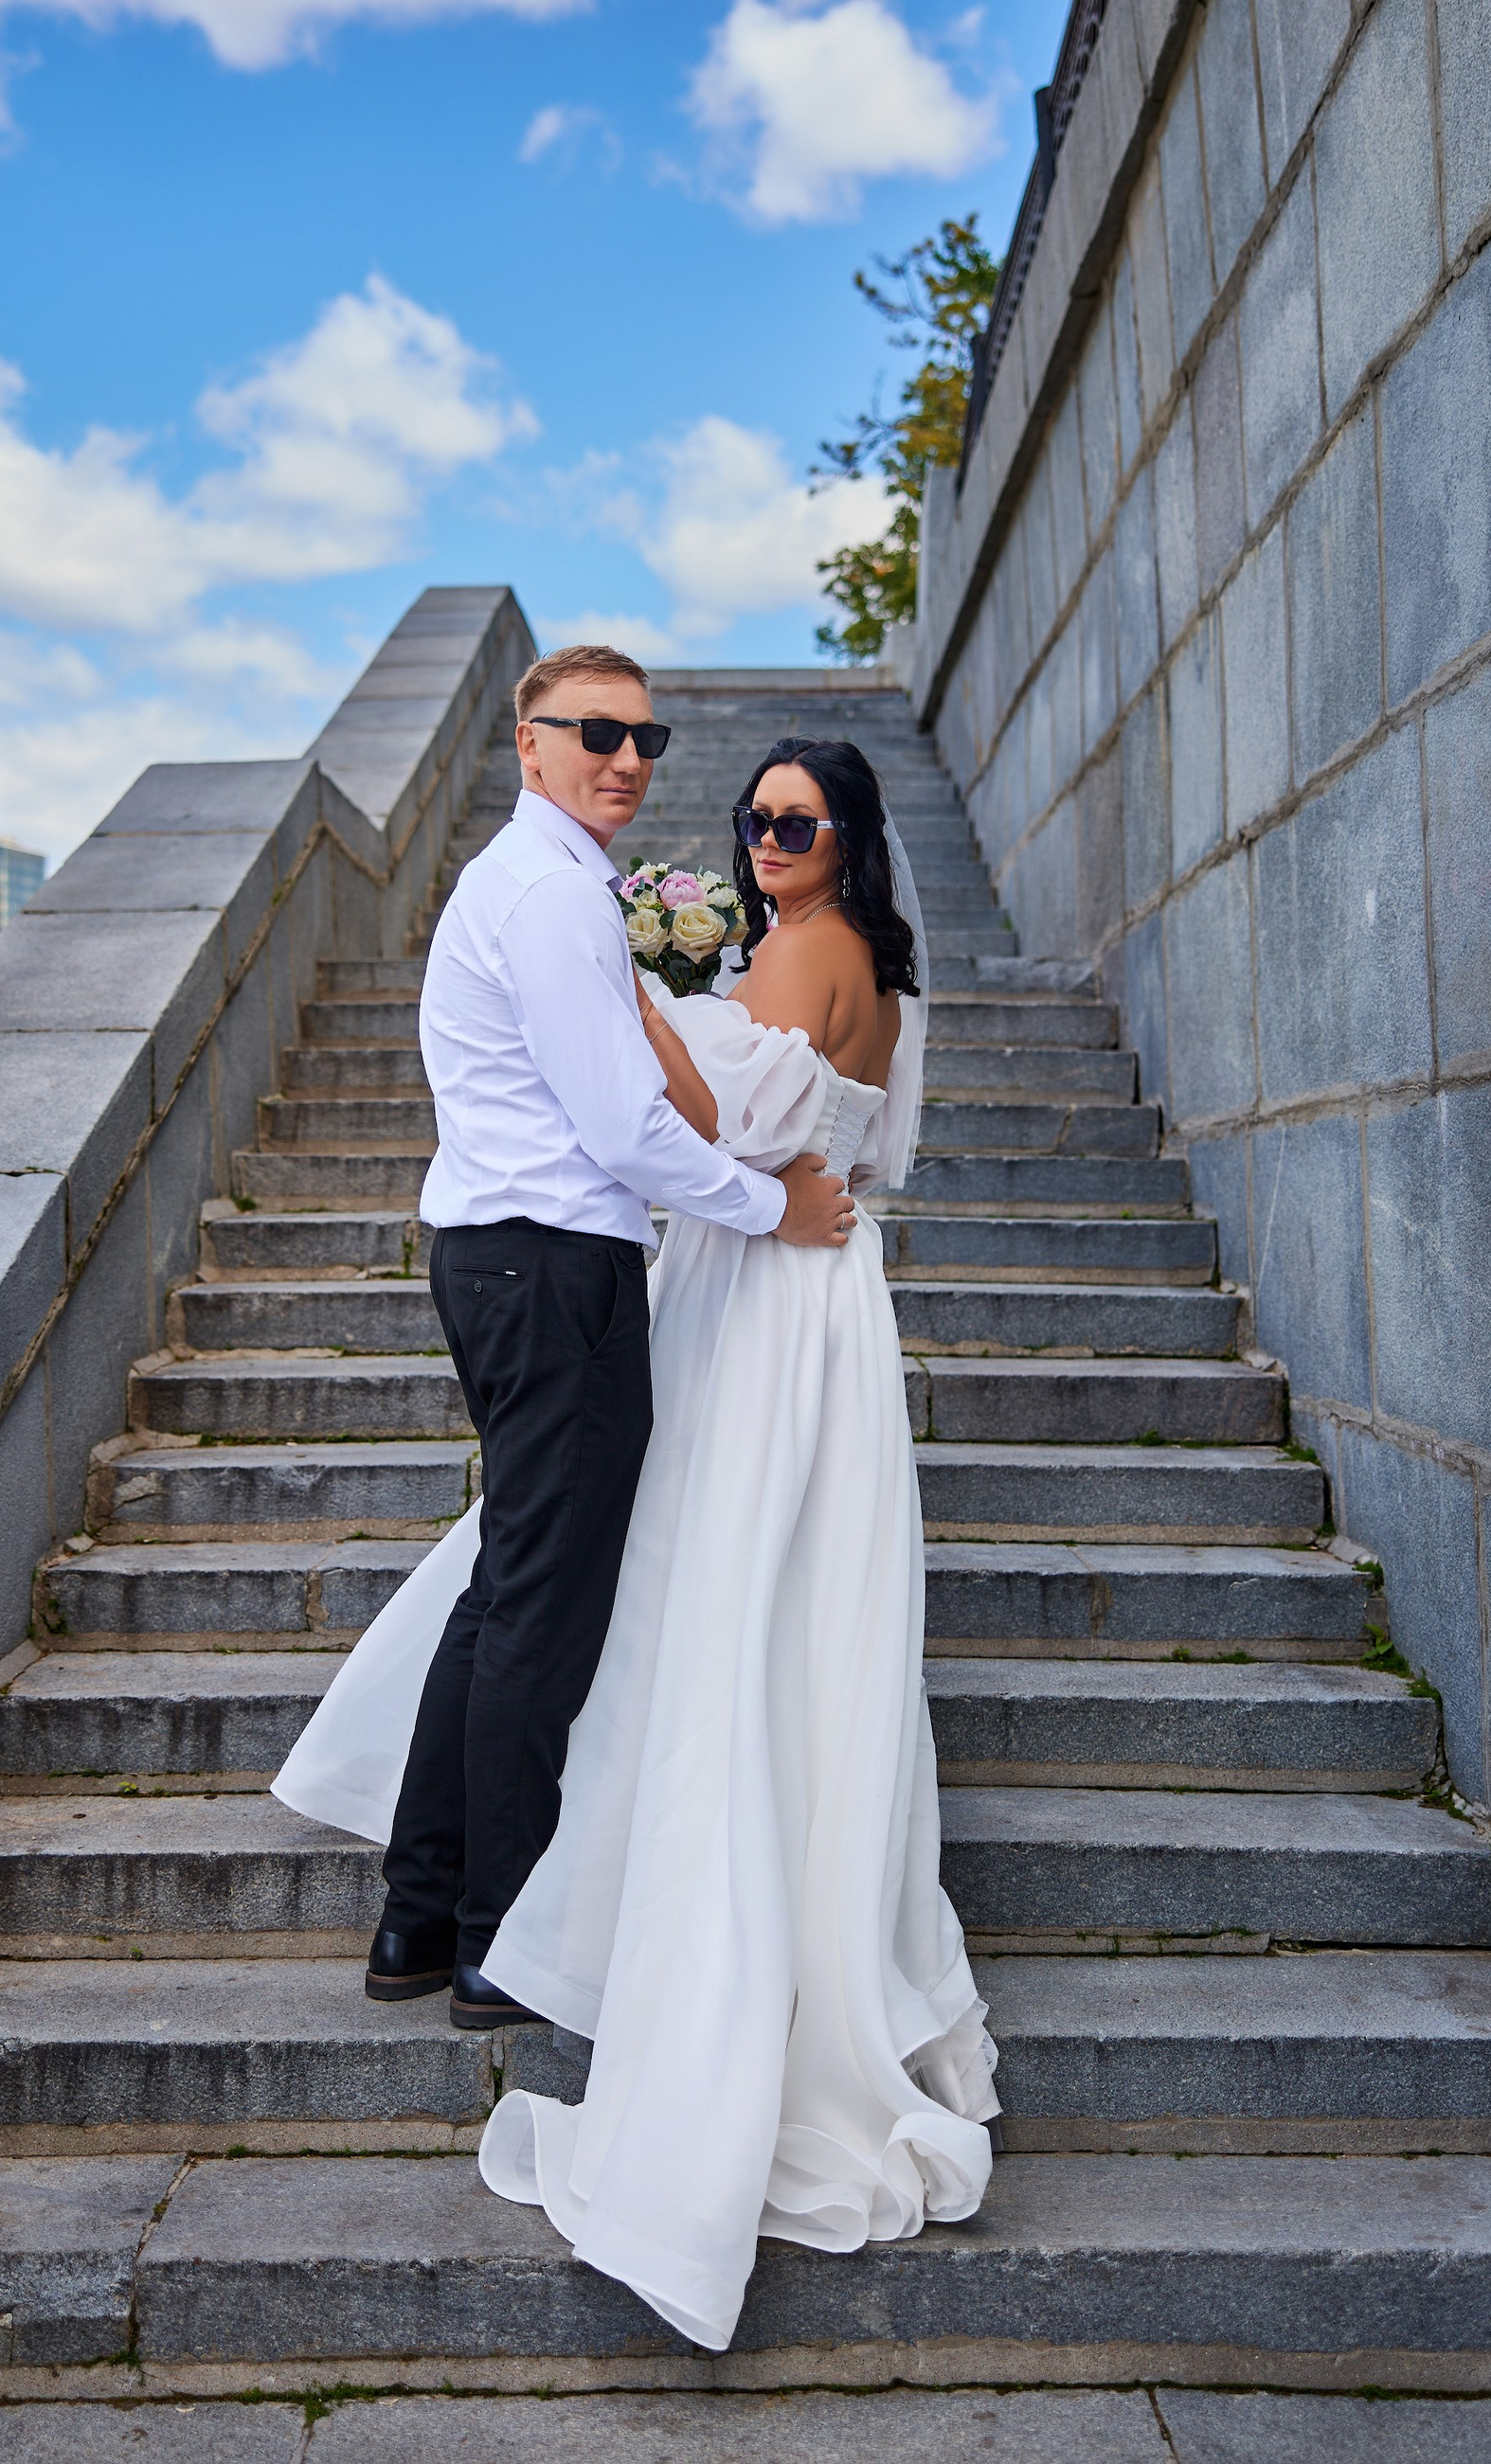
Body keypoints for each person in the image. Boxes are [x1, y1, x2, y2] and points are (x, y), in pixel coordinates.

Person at [276, 727, 997, 2353]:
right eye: (757, 819)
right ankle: (475, 1885)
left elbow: (703, 1112)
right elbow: (798, 1132)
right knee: (725, 1582)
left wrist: (634, 987)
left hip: (768, 1289)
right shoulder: (845, 955)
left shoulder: (807, 953)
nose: (770, 840)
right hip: (806, 1284)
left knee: (692, 1579)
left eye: (800, 821)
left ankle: (506, 1899)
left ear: (850, 833)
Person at [293, 643, 854, 2035]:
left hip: (513, 1264)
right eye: (596, 733)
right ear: (528, 741)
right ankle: (499, 1939)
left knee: (506, 1590)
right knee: (542, 1610)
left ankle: (423, 1915)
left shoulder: (542, 883)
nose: (627, 760)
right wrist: (770, 1208)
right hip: (549, 1272)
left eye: (646, 739)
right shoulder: (548, 895)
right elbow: (621, 1126)